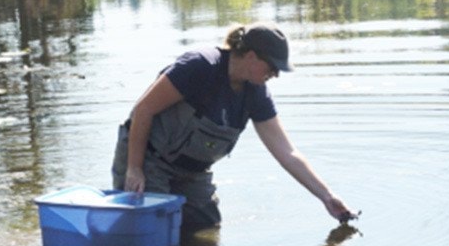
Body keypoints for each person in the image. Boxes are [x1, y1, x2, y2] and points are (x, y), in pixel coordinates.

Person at [111, 22, 358, 229]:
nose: (276, 74)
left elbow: (288, 154)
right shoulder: (200, 66)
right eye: (272, 67)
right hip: (148, 160)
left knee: (206, 231)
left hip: (192, 172)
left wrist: (326, 196)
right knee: (155, 230)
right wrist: (134, 168)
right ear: (251, 56)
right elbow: (143, 110)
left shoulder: (256, 94)